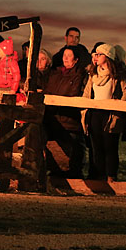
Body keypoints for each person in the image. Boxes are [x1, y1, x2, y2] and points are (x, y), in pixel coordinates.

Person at [81, 43, 126, 181]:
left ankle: (111, 176)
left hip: (110, 114)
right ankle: (98, 176)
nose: (96, 56)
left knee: (110, 146)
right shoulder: (93, 74)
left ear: (107, 56)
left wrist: (118, 109)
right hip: (95, 113)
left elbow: (125, 92)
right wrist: (85, 108)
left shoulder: (117, 75)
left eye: (99, 54)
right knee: (96, 147)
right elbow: (87, 92)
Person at [43, 47, 87, 178]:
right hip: (53, 117)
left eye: (69, 55)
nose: (66, 58)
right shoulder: (55, 73)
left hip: (69, 118)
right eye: (64, 55)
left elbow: (73, 93)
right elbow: (48, 91)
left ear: (76, 59)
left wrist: (57, 98)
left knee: (74, 146)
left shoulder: (78, 74)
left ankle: (75, 173)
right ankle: (53, 171)